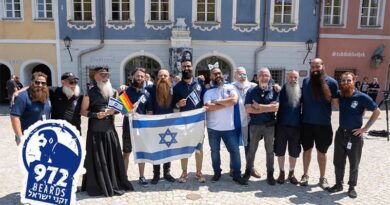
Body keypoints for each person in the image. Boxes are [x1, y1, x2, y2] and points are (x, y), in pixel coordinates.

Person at [80, 67, 133, 197]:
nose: (105, 76)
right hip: (95, 131)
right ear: (95, 77)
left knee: (111, 158)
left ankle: (113, 182)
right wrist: (95, 115)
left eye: (107, 74)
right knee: (98, 160)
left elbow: (123, 109)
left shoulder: (114, 91)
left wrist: (113, 111)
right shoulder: (89, 92)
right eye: (102, 74)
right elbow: (82, 111)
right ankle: (98, 184)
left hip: (110, 131)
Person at [328, 72, 380, 198]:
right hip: (341, 133)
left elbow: (377, 111)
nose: (346, 82)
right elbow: (335, 104)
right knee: (338, 161)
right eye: (343, 80)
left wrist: (365, 128)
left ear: (354, 81)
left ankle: (352, 187)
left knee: (354, 162)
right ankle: (338, 184)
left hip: (354, 135)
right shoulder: (341, 95)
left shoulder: (362, 97)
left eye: (349, 80)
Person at [203, 66, 247, 185]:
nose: (218, 76)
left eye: (219, 73)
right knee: (215, 151)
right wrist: (225, 103)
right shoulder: (208, 91)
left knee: (235, 151)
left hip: (230, 128)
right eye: (215, 74)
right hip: (213, 128)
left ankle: (237, 175)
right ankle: (217, 173)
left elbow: (233, 100)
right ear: (211, 77)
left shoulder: (230, 87)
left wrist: (216, 102)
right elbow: (208, 107)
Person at [300, 58, 339, 190]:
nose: (315, 69)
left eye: (318, 66)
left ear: (323, 66)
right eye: (313, 67)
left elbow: (336, 103)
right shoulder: (305, 81)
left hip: (323, 124)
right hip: (306, 123)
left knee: (322, 152)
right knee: (306, 150)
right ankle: (305, 175)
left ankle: (322, 177)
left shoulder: (332, 83)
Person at [243, 67, 279, 185]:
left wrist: (259, 107)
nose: (264, 77)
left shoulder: (275, 90)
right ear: (258, 78)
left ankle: (270, 174)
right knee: (251, 150)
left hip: (269, 126)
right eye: (262, 75)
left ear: (270, 78)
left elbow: (276, 107)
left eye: (266, 75)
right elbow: (248, 109)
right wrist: (267, 108)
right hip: (255, 125)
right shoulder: (251, 91)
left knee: (269, 151)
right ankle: (248, 171)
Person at [172, 59, 206, 183]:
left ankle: (198, 172)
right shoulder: (177, 87)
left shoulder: (199, 83)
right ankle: (184, 172)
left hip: (198, 121)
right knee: (184, 147)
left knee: (199, 147)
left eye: (188, 66)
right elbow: (173, 106)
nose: (186, 68)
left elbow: (206, 97)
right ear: (181, 69)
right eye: (184, 67)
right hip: (183, 122)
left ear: (192, 67)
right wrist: (177, 103)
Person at [120, 68, 152, 187]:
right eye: (137, 76)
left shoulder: (147, 94)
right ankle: (124, 177)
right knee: (126, 152)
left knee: (141, 152)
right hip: (128, 126)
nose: (139, 78)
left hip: (141, 127)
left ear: (145, 78)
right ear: (133, 77)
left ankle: (142, 176)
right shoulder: (126, 92)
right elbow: (122, 111)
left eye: (142, 77)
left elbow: (149, 112)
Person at [145, 69, 176, 185]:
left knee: (168, 148)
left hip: (170, 124)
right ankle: (156, 174)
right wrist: (124, 89)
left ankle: (167, 173)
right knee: (156, 149)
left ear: (169, 78)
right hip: (154, 124)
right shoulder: (149, 89)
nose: (162, 77)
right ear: (157, 78)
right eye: (160, 75)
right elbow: (137, 95)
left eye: (165, 75)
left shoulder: (174, 90)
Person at [230, 67, 260, 179]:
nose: (242, 76)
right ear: (235, 75)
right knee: (233, 146)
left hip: (249, 121)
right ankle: (233, 167)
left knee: (250, 146)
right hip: (234, 121)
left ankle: (250, 167)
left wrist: (276, 87)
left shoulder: (252, 86)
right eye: (239, 74)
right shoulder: (230, 86)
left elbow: (266, 88)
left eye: (244, 74)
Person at [274, 70, 301, 185]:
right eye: (291, 77)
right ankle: (281, 172)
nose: (293, 79)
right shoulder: (280, 90)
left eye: (295, 77)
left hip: (296, 127)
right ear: (286, 78)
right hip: (281, 126)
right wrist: (274, 85)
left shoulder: (301, 91)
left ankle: (291, 173)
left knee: (294, 152)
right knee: (280, 151)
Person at [10, 72, 51, 146]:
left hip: (44, 138)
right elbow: (14, 117)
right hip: (28, 138)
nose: (40, 85)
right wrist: (19, 137)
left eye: (43, 83)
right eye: (37, 82)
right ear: (32, 82)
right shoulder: (23, 97)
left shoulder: (46, 94)